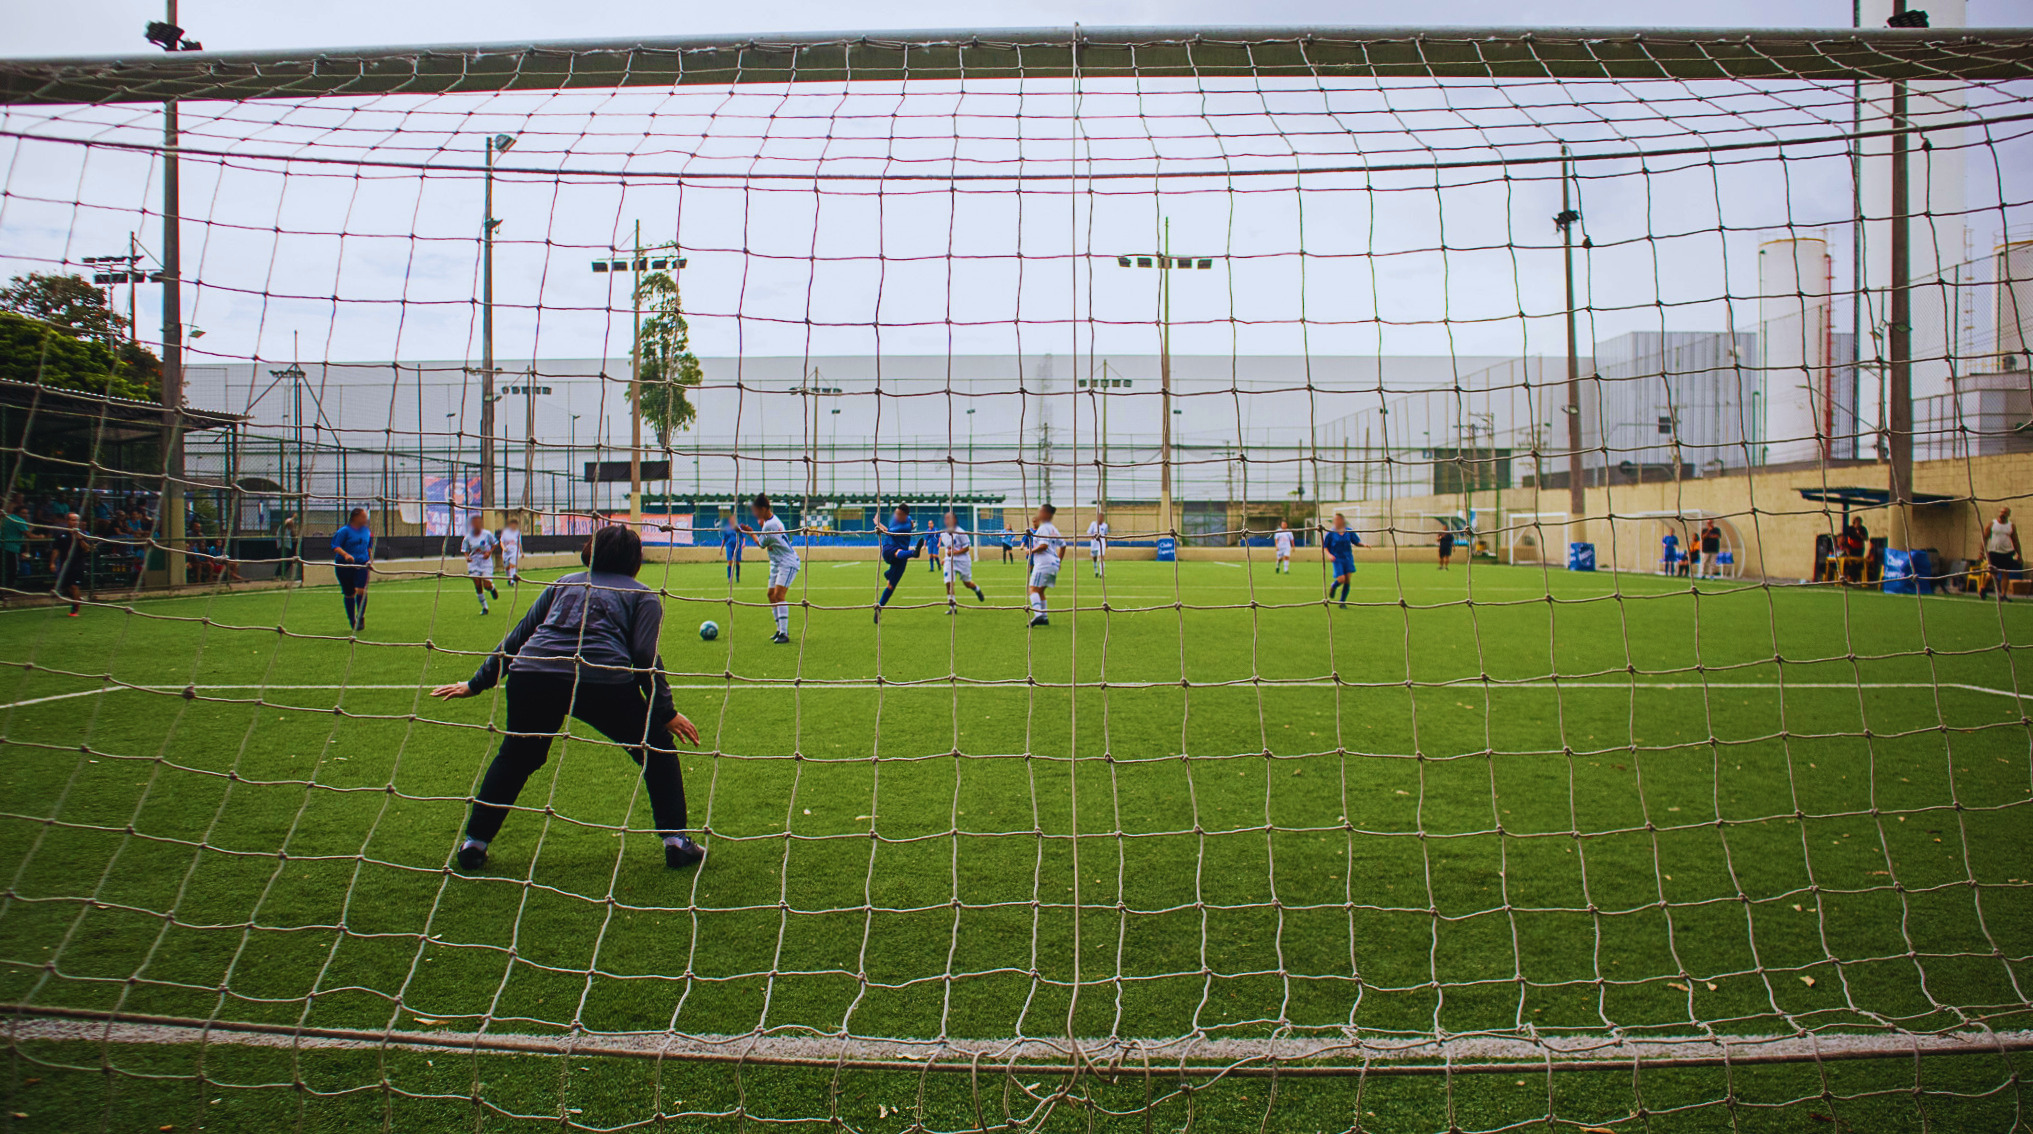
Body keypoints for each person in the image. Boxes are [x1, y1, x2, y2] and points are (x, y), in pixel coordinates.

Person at [432, 524, 705, 872]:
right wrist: (665, 712)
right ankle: (677, 843)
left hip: (532, 675)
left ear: (592, 550)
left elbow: (517, 639)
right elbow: (643, 655)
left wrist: (477, 683)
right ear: (637, 559)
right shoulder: (643, 595)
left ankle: (474, 844)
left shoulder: (564, 582)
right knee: (657, 750)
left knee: (516, 757)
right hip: (600, 679)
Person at [740, 493, 800, 644]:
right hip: (776, 563)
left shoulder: (770, 525)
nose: (754, 514)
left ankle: (784, 633)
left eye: (756, 510)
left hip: (787, 562)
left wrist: (751, 533)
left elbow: (761, 544)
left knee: (779, 595)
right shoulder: (771, 521)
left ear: (763, 509)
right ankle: (779, 630)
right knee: (770, 595)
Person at [873, 503, 926, 624]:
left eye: (899, 514)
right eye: (896, 513)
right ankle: (913, 553)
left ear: (905, 515)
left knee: (891, 586)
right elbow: (911, 522)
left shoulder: (903, 527)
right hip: (889, 550)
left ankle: (879, 607)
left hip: (900, 556)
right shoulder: (908, 519)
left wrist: (877, 523)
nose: (896, 516)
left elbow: (886, 530)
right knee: (897, 552)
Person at [331, 507, 374, 632]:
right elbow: (335, 546)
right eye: (363, 516)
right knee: (349, 593)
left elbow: (369, 547)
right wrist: (346, 555)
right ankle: (352, 620)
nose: (366, 518)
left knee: (361, 590)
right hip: (344, 565)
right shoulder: (344, 531)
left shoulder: (366, 531)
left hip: (362, 564)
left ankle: (360, 616)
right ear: (356, 517)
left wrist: (370, 560)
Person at [1025, 503, 1064, 628]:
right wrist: (1059, 561)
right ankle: (1044, 617)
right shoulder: (1054, 529)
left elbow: (1044, 546)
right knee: (1040, 590)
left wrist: (1030, 551)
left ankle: (1038, 615)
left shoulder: (1043, 528)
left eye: (1041, 512)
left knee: (1032, 589)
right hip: (1052, 563)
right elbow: (1063, 545)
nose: (1039, 514)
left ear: (1047, 514)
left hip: (1043, 563)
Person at [939, 511, 986, 610]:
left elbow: (966, 548)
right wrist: (945, 558)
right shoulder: (943, 533)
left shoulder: (960, 532)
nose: (947, 520)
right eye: (946, 518)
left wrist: (953, 553)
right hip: (950, 561)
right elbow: (948, 548)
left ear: (954, 520)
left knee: (967, 583)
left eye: (949, 518)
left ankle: (977, 589)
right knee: (949, 583)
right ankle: (953, 608)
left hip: (963, 561)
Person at [49, 512, 89, 617]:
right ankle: (77, 599)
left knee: (74, 586)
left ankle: (74, 611)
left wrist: (79, 538)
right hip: (65, 564)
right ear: (67, 521)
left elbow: (87, 549)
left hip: (78, 564)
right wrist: (52, 563)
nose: (75, 522)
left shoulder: (82, 534)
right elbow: (56, 549)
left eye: (76, 520)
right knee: (66, 587)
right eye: (72, 520)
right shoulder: (61, 534)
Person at [461, 514, 502, 614]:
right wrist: (467, 557)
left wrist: (489, 552)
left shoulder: (487, 534)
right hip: (474, 563)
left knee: (486, 585)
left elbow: (495, 543)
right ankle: (485, 607)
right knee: (477, 584)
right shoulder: (468, 537)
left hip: (485, 562)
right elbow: (465, 550)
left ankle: (492, 588)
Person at [1982, 505, 2022, 602]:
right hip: (1994, 552)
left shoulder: (2011, 526)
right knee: (1992, 574)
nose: (2002, 514)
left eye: (2005, 513)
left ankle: (2003, 594)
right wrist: (1981, 552)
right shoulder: (1992, 524)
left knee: (2005, 574)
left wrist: (2019, 554)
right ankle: (1983, 588)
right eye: (2001, 512)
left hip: (2007, 553)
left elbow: (2015, 540)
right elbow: (1985, 538)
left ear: (2008, 515)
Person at [1321, 514, 1358, 609]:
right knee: (1341, 579)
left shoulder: (1349, 531)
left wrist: (1364, 545)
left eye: (1338, 519)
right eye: (1335, 519)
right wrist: (1329, 555)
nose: (1336, 521)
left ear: (1342, 520)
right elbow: (1325, 546)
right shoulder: (1330, 532)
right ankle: (1334, 586)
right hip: (1337, 558)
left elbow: (1356, 542)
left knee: (1347, 580)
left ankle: (1342, 601)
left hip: (1348, 558)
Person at [0, 500, 27, 594]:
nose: (25, 515)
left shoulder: (7, 518)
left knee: (5, 569)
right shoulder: (18, 520)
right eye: (23, 513)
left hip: (3, 546)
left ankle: (6, 588)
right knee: (14, 569)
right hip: (11, 548)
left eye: (26, 513)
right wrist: (40, 537)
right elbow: (28, 534)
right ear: (18, 512)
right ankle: (8, 588)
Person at [719, 514, 744, 583]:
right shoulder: (726, 528)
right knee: (729, 562)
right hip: (729, 546)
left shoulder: (738, 527)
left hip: (737, 545)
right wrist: (721, 549)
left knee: (737, 562)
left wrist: (744, 543)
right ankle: (729, 578)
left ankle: (737, 577)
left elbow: (743, 536)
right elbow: (724, 539)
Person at [500, 515, 524, 586]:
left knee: (512, 566)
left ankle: (512, 581)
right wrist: (504, 548)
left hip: (514, 551)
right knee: (507, 567)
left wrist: (522, 552)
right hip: (506, 552)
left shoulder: (518, 533)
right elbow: (501, 541)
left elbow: (519, 543)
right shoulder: (505, 532)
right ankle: (509, 579)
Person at [277, 516, 301, 583]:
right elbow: (287, 523)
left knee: (289, 561)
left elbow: (294, 535)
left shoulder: (288, 529)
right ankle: (277, 575)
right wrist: (293, 517)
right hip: (283, 546)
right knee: (284, 561)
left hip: (288, 546)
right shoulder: (283, 527)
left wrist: (293, 529)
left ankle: (282, 575)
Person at [1087, 511, 1109, 578]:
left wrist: (1106, 543)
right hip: (1094, 543)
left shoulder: (1105, 525)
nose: (1101, 518)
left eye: (1102, 517)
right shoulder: (1093, 524)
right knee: (1094, 558)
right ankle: (1096, 571)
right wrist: (1092, 536)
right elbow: (1089, 532)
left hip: (1101, 543)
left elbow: (1105, 535)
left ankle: (1101, 573)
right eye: (1100, 517)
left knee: (1101, 557)